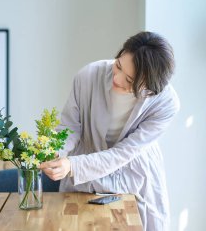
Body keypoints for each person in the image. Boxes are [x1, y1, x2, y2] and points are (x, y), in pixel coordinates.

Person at [40, 31, 180, 230]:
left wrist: (72, 165)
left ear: (150, 88)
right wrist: (55, 150)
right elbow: (70, 126)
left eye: (130, 81)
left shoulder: (166, 104)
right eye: (118, 66)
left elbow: (124, 153)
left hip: (133, 176)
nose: (117, 79)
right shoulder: (88, 76)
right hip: (83, 175)